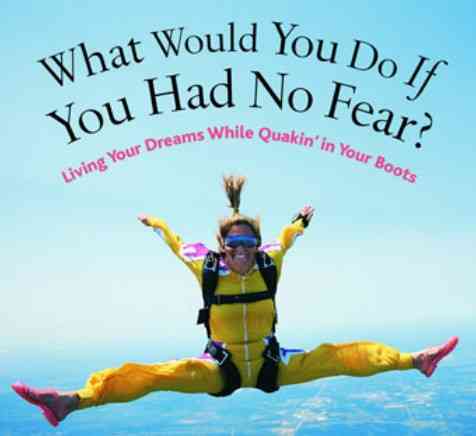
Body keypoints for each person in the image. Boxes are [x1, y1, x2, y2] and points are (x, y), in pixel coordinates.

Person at [12, 175, 458, 427]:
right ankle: (71, 400)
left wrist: (300, 221)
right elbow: (175, 241)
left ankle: (415, 360)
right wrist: (155, 222)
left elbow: (287, 237)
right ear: (222, 247)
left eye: (249, 244)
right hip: (220, 367)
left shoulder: (269, 260)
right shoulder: (205, 265)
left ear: (257, 245)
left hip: (269, 363)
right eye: (234, 246)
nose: (242, 252)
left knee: (338, 357)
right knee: (152, 376)